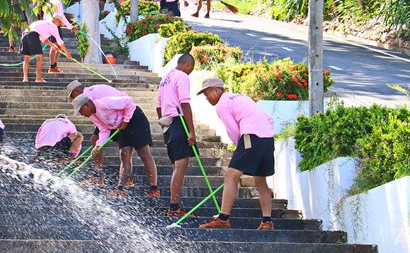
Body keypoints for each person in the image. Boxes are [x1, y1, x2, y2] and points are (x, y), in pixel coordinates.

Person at [197, 77, 275, 230]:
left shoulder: (221, 104)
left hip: (251, 136)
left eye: (207, 94)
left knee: (231, 175)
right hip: (267, 138)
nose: (206, 98)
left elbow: (233, 130)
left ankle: (223, 218)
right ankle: (267, 221)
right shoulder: (238, 97)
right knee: (260, 181)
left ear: (216, 90)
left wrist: (238, 146)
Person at [72, 93, 158, 197]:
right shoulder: (93, 116)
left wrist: (126, 121)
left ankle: (154, 189)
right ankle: (120, 189)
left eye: (81, 111)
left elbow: (129, 102)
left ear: (86, 105)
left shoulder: (104, 102)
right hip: (121, 125)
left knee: (143, 153)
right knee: (124, 154)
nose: (82, 115)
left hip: (135, 118)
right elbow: (104, 130)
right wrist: (98, 146)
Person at [156, 54, 197, 217]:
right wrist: (191, 130)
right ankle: (174, 208)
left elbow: (158, 106)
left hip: (167, 124)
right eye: (191, 68)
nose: (191, 72)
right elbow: (185, 103)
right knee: (180, 167)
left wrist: (164, 128)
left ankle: (175, 206)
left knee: (176, 167)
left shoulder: (165, 78)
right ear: (187, 64)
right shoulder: (181, 76)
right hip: (179, 122)